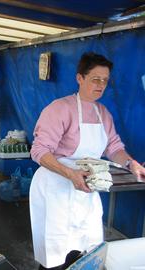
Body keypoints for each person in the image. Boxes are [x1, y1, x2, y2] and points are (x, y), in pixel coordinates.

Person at [29, 52, 145, 270]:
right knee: (56, 254)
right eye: (95, 79)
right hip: (56, 187)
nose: (101, 85)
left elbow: (114, 148)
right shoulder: (60, 108)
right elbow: (39, 150)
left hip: (85, 190)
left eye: (105, 80)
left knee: (87, 251)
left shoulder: (103, 113)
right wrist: (70, 173)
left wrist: (131, 163)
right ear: (79, 78)